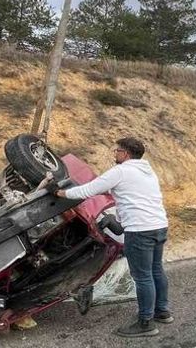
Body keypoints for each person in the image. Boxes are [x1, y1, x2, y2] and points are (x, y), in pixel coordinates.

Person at [54, 137, 171, 338]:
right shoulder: (147, 171)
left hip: (140, 230)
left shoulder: (121, 171)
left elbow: (89, 190)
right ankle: (162, 311)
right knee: (156, 270)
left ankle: (145, 323)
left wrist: (60, 193)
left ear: (125, 154)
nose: (114, 154)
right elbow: (119, 190)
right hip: (159, 226)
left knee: (143, 277)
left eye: (117, 150)